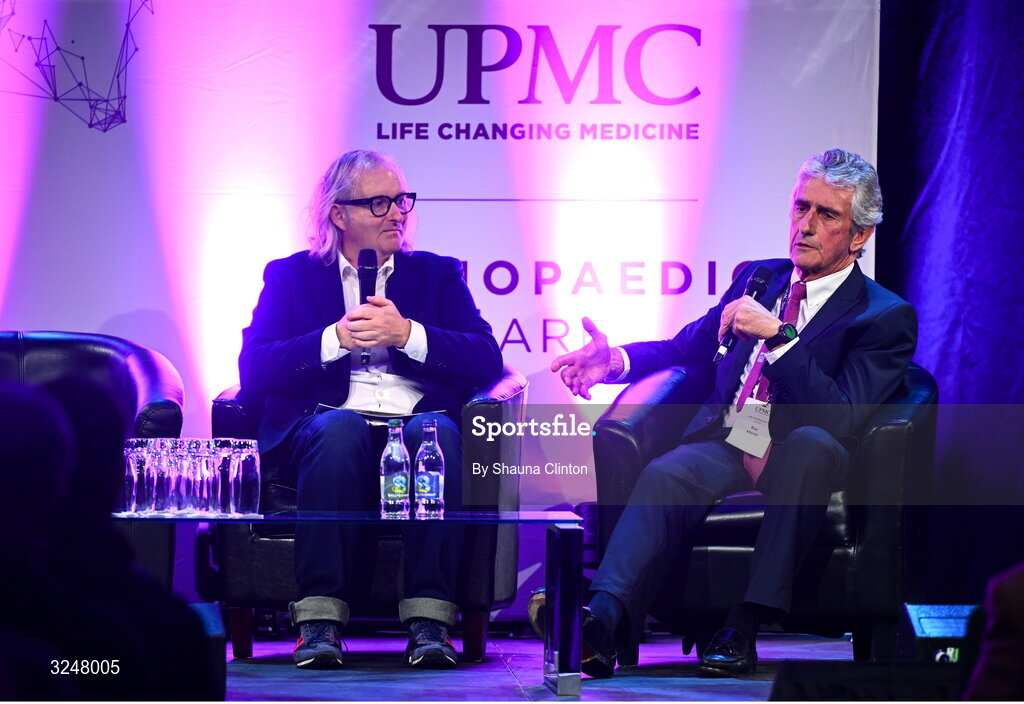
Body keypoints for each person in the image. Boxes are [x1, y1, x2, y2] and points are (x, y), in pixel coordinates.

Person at [549, 148, 917, 678]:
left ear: (859, 236)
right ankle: (602, 625)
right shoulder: (759, 279)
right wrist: (614, 362)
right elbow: (687, 349)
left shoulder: (883, 316)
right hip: (735, 440)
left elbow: (840, 418)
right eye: (800, 208)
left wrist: (780, 338)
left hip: (808, 455)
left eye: (826, 215)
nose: (805, 226)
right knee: (665, 473)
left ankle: (743, 625)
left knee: (814, 444)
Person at [239, 149, 503, 670]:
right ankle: (318, 623)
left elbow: (486, 356)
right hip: (325, 422)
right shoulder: (291, 277)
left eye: (401, 201)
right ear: (339, 214)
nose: (398, 214)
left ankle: (430, 622)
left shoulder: (436, 275)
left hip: (414, 419)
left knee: (439, 433)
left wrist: (409, 334)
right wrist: (334, 338)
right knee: (341, 429)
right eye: (380, 203)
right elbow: (255, 367)